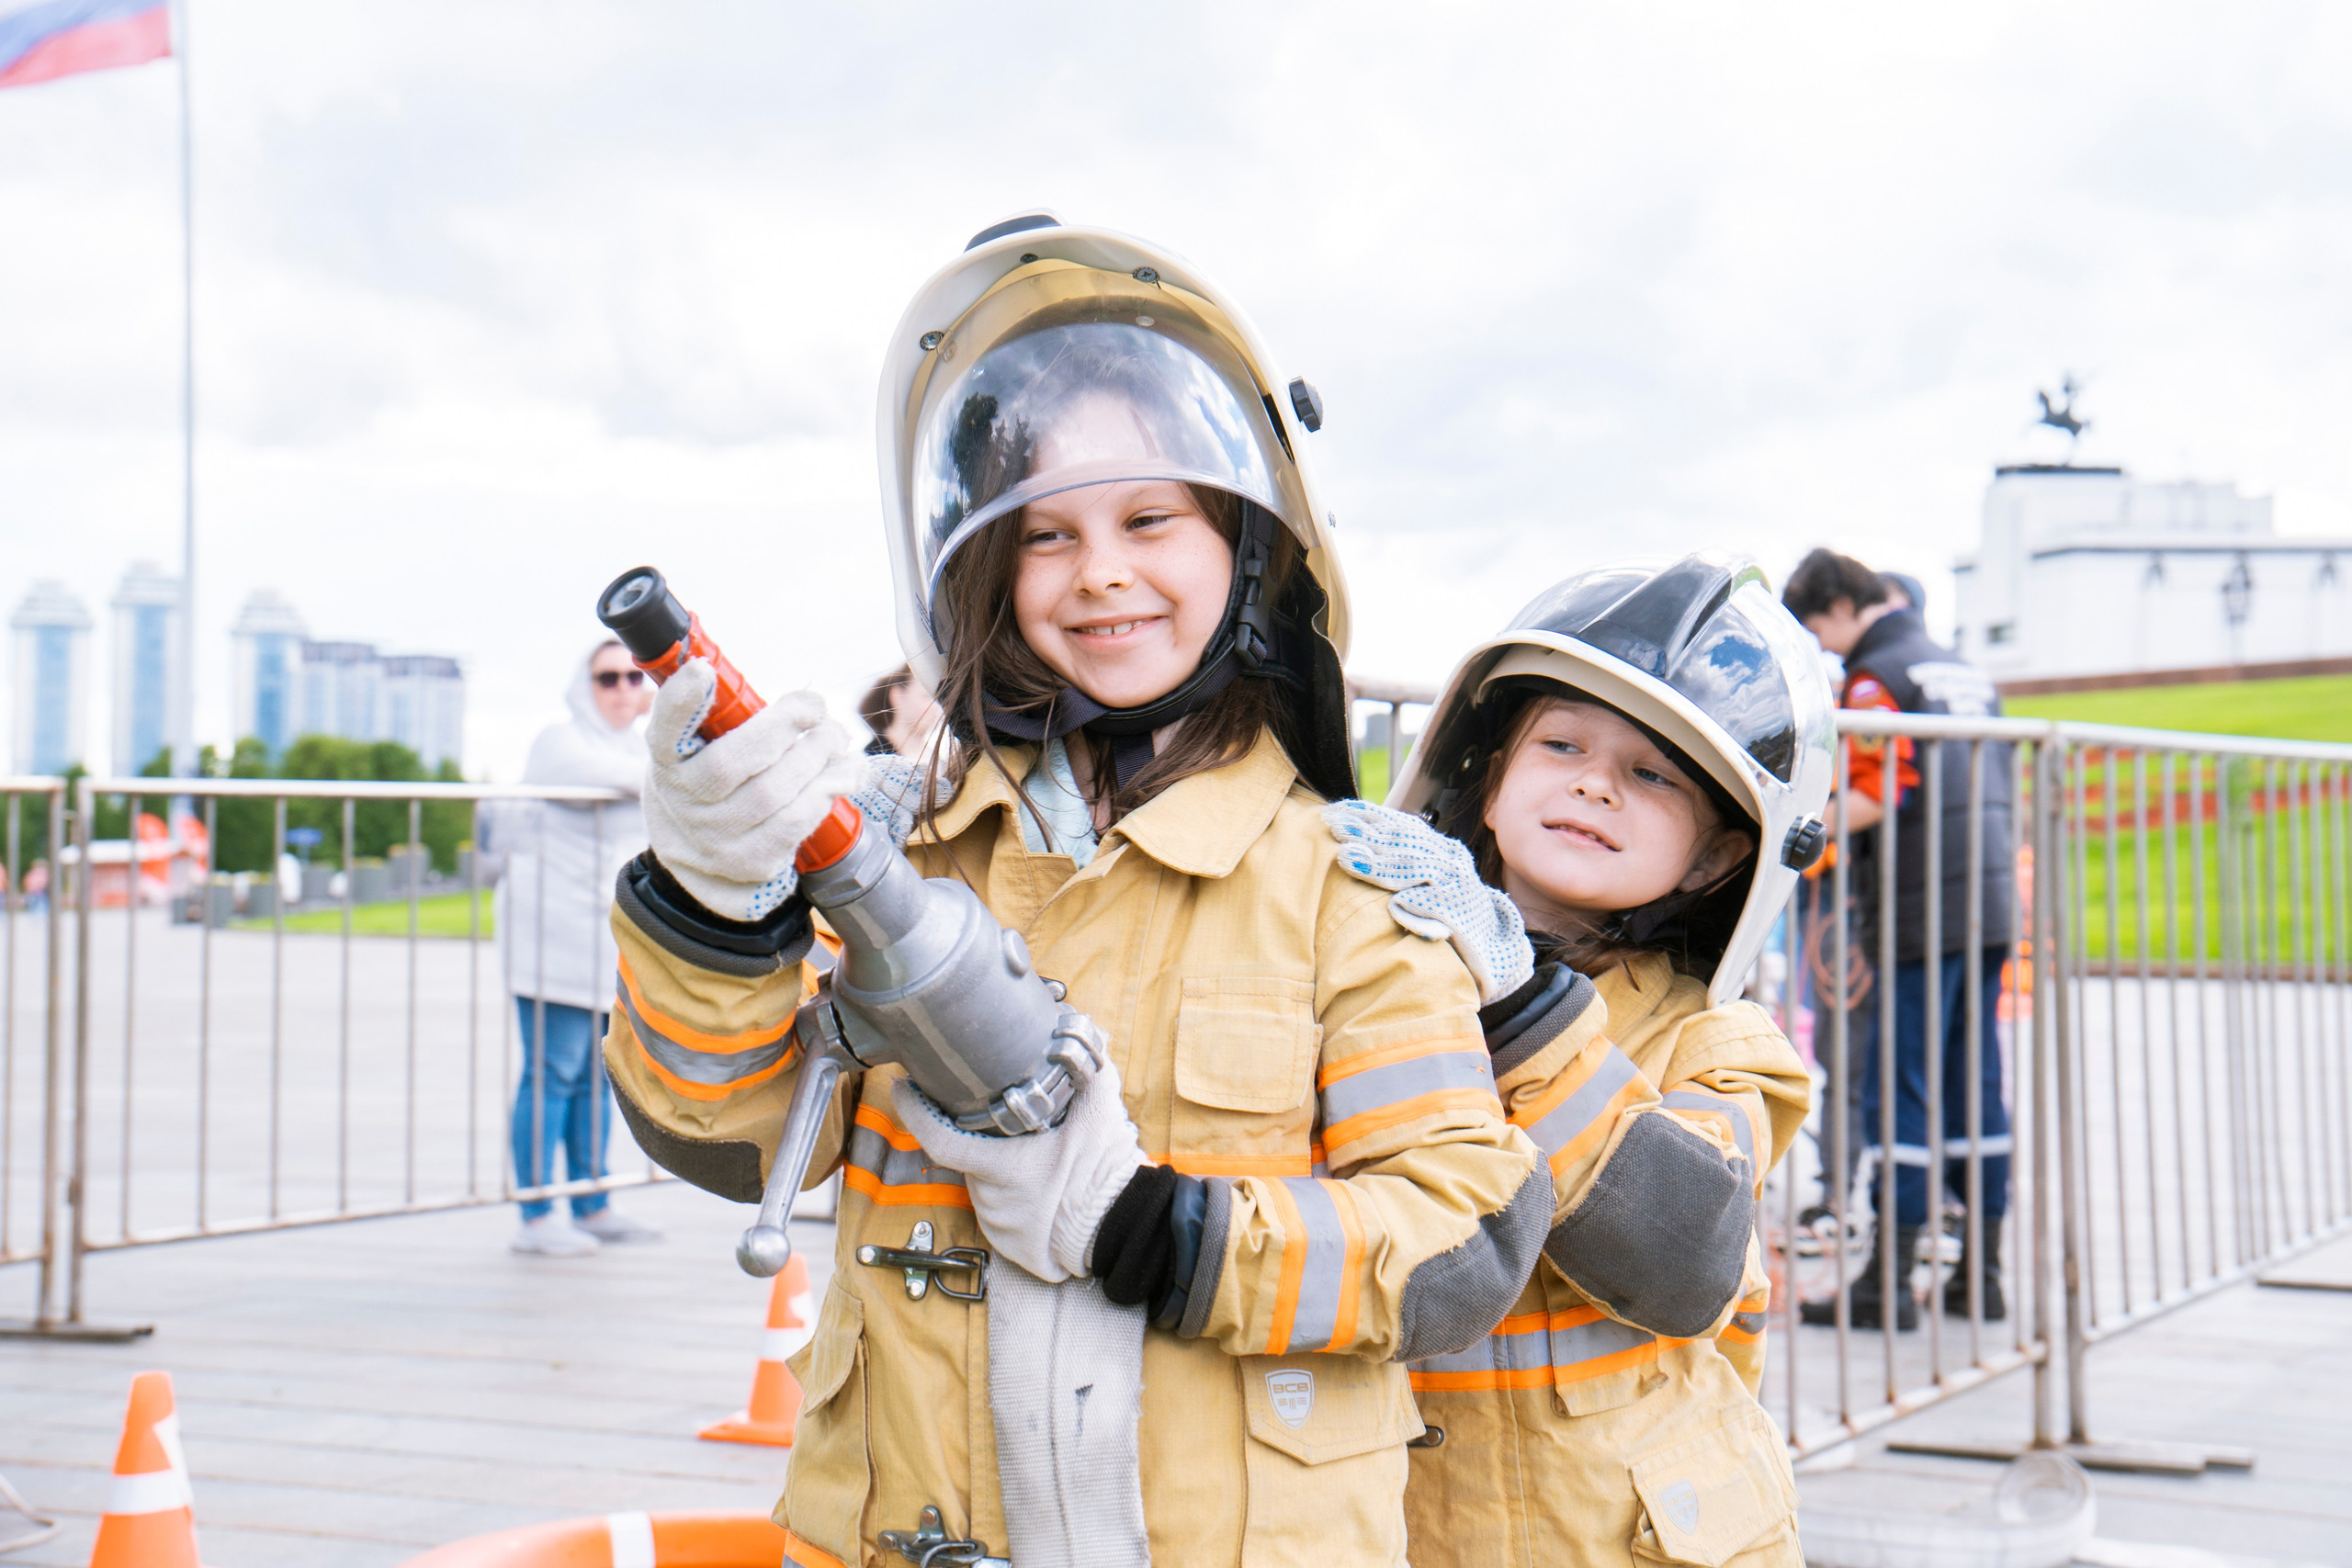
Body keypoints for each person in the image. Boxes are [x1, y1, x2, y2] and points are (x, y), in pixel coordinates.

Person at [602, 217, 1544, 1568]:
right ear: (980, 568)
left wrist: (1159, 1227)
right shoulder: (907, 849)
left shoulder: (1344, 884)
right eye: (1044, 532)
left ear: (1253, 544)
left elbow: (1457, 1238)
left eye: (1149, 516)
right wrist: (714, 900)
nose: (1100, 569)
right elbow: (735, 1139)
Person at [1330, 552, 1829, 1568]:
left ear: (1715, 856)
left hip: (1634, 1544)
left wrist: (1515, 996)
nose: (1595, 784)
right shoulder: (1363, 996)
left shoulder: (1722, 1048)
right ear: (1487, 778)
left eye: (1652, 774)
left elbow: (1681, 1257)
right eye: (1560, 744)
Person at [1783, 548, 2013, 1330]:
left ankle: (1886, 1282)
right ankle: (1979, 1275)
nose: (1826, 649)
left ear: (1841, 608)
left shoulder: (1880, 676)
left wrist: (1792, 834)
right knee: (1976, 1084)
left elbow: (1881, 791)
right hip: (1989, 900)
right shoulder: (1962, 670)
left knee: (1900, 1085)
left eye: (1819, 632)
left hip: (1921, 904)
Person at [487, 640, 662, 1257]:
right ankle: (536, 1213)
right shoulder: (558, 741)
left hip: (605, 940)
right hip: (549, 936)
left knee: (596, 1073)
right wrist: (668, 772)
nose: (622, 687)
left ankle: (592, 1200)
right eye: (607, 677)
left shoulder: (636, 750)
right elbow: (606, 779)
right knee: (552, 1069)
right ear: (582, 685)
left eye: (635, 675)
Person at [855, 663, 944, 757]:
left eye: (942, 698)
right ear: (897, 695)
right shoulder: (870, 761)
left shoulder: (943, 762)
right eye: (927, 696)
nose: (937, 706)